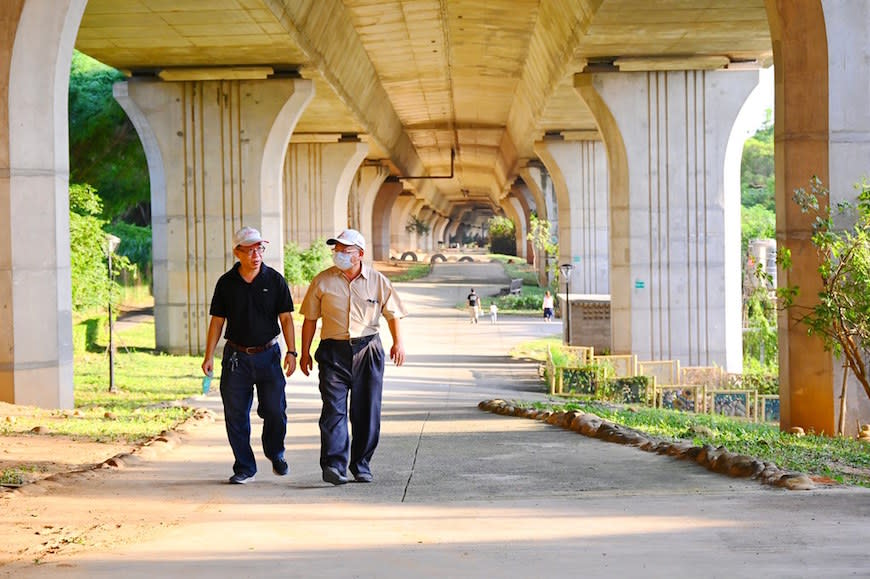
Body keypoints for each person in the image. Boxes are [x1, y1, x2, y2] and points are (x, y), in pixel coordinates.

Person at [299, 229, 406, 485]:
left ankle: (361, 465)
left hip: (368, 349)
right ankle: (334, 466)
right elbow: (310, 319)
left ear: (360, 254)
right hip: (332, 352)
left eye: (345, 251)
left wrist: (398, 343)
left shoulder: (378, 281)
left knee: (366, 411)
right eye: (337, 250)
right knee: (333, 410)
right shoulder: (322, 280)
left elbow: (393, 314)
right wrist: (303, 352)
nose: (340, 255)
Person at [202, 226, 297, 485]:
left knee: (275, 410)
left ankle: (276, 453)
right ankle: (245, 467)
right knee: (236, 416)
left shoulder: (275, 280)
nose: (256, 255)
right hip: (236, 358)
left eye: (260, 249)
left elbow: (286, 318)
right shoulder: (226, 283)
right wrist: (209, 355)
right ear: (237, 252)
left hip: (269, 356)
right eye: (250, 249)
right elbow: (217, 322)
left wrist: (292, 351)